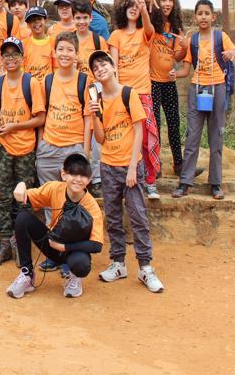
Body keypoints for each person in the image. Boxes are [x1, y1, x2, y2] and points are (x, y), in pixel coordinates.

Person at [87, 50, 165, 293]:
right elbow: (100, 139)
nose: (100, 69)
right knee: (112, 217)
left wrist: (132, 168)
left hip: (130, 165)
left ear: (113, 67)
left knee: (138, 216)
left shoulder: (128, 93)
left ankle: (145, 267)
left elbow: (139, 131)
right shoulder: (98, 100)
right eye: (95, 68)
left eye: (103, 64)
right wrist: (95, 115)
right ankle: (118, 263)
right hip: (108, 165)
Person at [7, 153, 104, 299]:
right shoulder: (55, 188)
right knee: (23, 218)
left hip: (73, 251)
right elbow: (25, 197)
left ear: (89, 180)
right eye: (73, 174)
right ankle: (27, 274)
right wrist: (21, 185)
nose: (78, 179)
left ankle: (75, 277)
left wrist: (65, 247)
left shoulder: (92, 206)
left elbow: (96, 245)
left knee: (81, 264)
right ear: (63, 174)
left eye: (83, 176)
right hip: (52, 243)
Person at [173, 0, 235, 200]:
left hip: (218, 87)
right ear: (194, 18)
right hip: (197, 88)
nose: (203, 17)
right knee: (192, 137)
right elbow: (185, 70)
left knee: (216, 137)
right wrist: (173, 74)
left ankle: (216, 183)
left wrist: (233, 52)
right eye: (199, 13)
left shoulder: (221, 37)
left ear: (213, 17)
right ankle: (185, 182)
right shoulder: (192, 41)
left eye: (206, 13)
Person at [36, 31, 91, 274]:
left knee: (74, 204)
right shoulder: (47, 81)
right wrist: (41, 145)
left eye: (70, 49)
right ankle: (54, 254)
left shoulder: (84, 82)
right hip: (48, 148)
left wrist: (85, 152)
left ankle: (71, 254)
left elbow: (88, 119)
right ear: (54, 52)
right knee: (51, 203)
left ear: (77, 54)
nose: (65, 54)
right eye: (61, 49)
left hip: (73, 148)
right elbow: (42, 115)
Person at [0, 37, 46, 266]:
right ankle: (5, 241)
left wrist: (15, 126)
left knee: (24, 198)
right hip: (3, 146)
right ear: (1, 58)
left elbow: (40, 118)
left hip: (25, 148)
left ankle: (20, 241)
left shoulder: (31, 83)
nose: (10, 59)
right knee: (3, 196)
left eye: (14, 54)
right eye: (6, 55)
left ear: (22, 57)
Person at [109, 0, 161, 199]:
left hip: (143, 94)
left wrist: (144, 9)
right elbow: (114, 66)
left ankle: (151, 181)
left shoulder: (145, 33)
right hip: (124, 95)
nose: (133, 9)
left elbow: (149, 27)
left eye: (135, 7)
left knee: (147, 140)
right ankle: (127, 179)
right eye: (129, 6)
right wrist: (117, 92)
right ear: (122, 9)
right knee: (126, 139)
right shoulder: (115, 35)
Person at [149, 0, 189, 177]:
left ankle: (178, 164)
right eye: (163, 0)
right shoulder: (150, 24)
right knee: (155, 125)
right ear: (157, 2)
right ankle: (155, 165)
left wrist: (184, 46)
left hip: (169, 82)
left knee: (174, 123)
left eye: (170, 0)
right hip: (152, 81)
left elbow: (178, 57)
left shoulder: (175, 28)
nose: (167, 4)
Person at [72, 0, 107, 194]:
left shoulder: (98, 40)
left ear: (91, 18)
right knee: (79, 132)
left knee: (96, 133)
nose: (81, 22)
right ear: (73, 18)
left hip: (95, 90)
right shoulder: (69, 39)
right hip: (74, 90)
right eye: (78, 18)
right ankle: (78, 174)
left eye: (85, 18)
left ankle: (97, 178)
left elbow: (105, 67)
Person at [22, 6, 55, 81]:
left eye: (39, 19)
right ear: (28, 25)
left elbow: (56, 69)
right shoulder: (24, 44)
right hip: (29, 85)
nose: (36, 22)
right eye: (32, 20)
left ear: (46, 21)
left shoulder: (53, 43)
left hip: (47, 85)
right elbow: (21, 69)